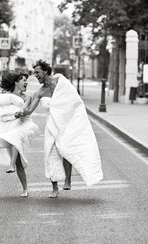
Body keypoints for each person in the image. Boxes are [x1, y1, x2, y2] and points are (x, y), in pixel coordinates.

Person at [15, 60, 103, 198]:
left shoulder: (62, 83)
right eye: (34, 73)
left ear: (45, 71)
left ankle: (68, 180)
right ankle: (54, 188)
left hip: (67, 123)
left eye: (37, 72)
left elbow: (75, 101)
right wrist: (20, 112)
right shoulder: (39, 92)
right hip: (51, 125)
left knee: (66, 147)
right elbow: (30, 110)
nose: (35, 75)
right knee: (50, 154)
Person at [0, 71, 38, 197]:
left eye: (26, 80)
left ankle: (11, 165)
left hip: (24, 125)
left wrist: (19, 113)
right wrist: (13, 114)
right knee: (19, 163)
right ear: (16, 82)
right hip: (11, 126)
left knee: (14, 136)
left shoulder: (27, 97)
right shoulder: (7, 98)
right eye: (23, 80)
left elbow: (25, 111)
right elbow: (2, 113)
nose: (26, 82)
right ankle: (25, 188)